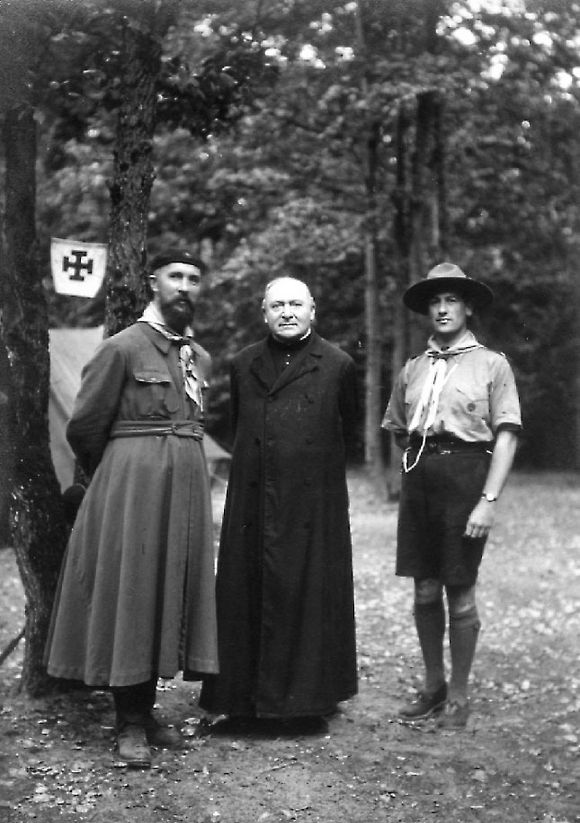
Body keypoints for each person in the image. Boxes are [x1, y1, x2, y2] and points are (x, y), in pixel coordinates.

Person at [45, 248, 219, 767]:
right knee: (134, 592)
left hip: (186, 488)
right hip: (132, 489)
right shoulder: (121, 348)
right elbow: (84, 427)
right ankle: (128, 724)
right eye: (175, 277)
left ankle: (147, 712)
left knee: (167, 592)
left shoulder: (196, 356)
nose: (184, 286)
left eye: (193, 278)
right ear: (153, 283)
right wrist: (125, 471)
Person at [199, 276, 358, 731]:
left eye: (296, 304)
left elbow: (343, 431)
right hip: (252, 501)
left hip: (313, 505)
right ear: (263, 313)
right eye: (277, 305)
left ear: (313, 310)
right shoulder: (244, 362)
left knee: (308, 593)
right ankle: (242, 701)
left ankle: (307, 703)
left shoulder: (338, 364)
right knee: (246, 592)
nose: (287, 312)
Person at [382, 262, 521, 729]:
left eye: (452, 300)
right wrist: (423, 463)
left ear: (467, 307)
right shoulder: (413, 368)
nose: (442, 309)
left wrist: (488, 499)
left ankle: (459, 695)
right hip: (421, 476)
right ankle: (433, 684)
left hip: (467, 477)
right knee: (424, 589)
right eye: (435, 302)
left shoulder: (492, 364)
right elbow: (399, 429)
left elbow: (506, 436)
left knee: (459, 589)